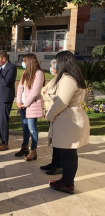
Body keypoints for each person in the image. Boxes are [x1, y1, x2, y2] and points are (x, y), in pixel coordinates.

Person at [46, 51, 89, 194]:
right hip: (70, 118)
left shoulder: (68, 79)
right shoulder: (71, 77)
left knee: (68, 154)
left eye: (57, 62)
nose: (55, 65)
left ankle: (67, 183)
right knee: (68, 153)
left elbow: (62, 102)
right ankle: (66, 179)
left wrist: (49, 115)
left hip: (69, 119)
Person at [15, 54, 45, 161]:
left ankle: (33, 151)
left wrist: (25, 103)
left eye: (24, 61)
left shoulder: (39, 73)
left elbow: (35, 91)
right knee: (24, 128)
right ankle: (25, 147)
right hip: (23, 105)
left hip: (31, 105)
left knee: (32, 128)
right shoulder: (25, 72)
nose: (23, 63)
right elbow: (20, 87)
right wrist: (19, 101)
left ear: (30, 62)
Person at [40, 59, 62, 175]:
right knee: (54, 140)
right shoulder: (54, 79)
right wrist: (46, 93)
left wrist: (46, 93)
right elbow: (43, 91)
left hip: (55, 113)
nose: (50, 67)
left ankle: (59, 165)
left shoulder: (60, 81)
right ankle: (54, 163)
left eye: (52, 66)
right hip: (50, 111)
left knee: (58, 141)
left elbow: (52, 96)